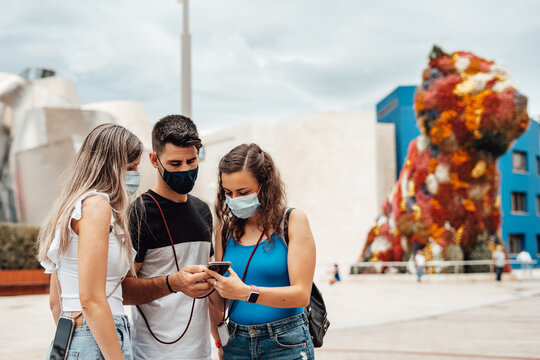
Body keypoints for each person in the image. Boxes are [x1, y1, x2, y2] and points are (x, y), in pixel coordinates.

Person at [37, 124, 143, 359]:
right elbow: (92, 300)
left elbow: (56, 302)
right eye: (131, 167)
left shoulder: (71, 208)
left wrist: (77, 344)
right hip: (99, 335)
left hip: (74, 336)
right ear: (112, 168)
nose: (136, 174)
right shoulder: (97, 206)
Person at [205, 143, 316, 360]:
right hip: (236, 342)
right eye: (228, 192)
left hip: (284, 342)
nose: (235, 199)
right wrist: (219, 336)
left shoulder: (292, 221)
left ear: (265, 185)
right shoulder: (225, 230)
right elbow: (220, 301)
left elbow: (302, 295)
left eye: (243, 192)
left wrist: (246, 292)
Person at [121, 115, 217, 360]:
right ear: (154, 160)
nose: (185, 170)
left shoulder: (204, 211)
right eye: (175, 164)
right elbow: (121, 290)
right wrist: (173, 283)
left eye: (191, 161)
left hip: (201, 353)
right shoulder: (139, 213)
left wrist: (221, 339)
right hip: (152, 354)